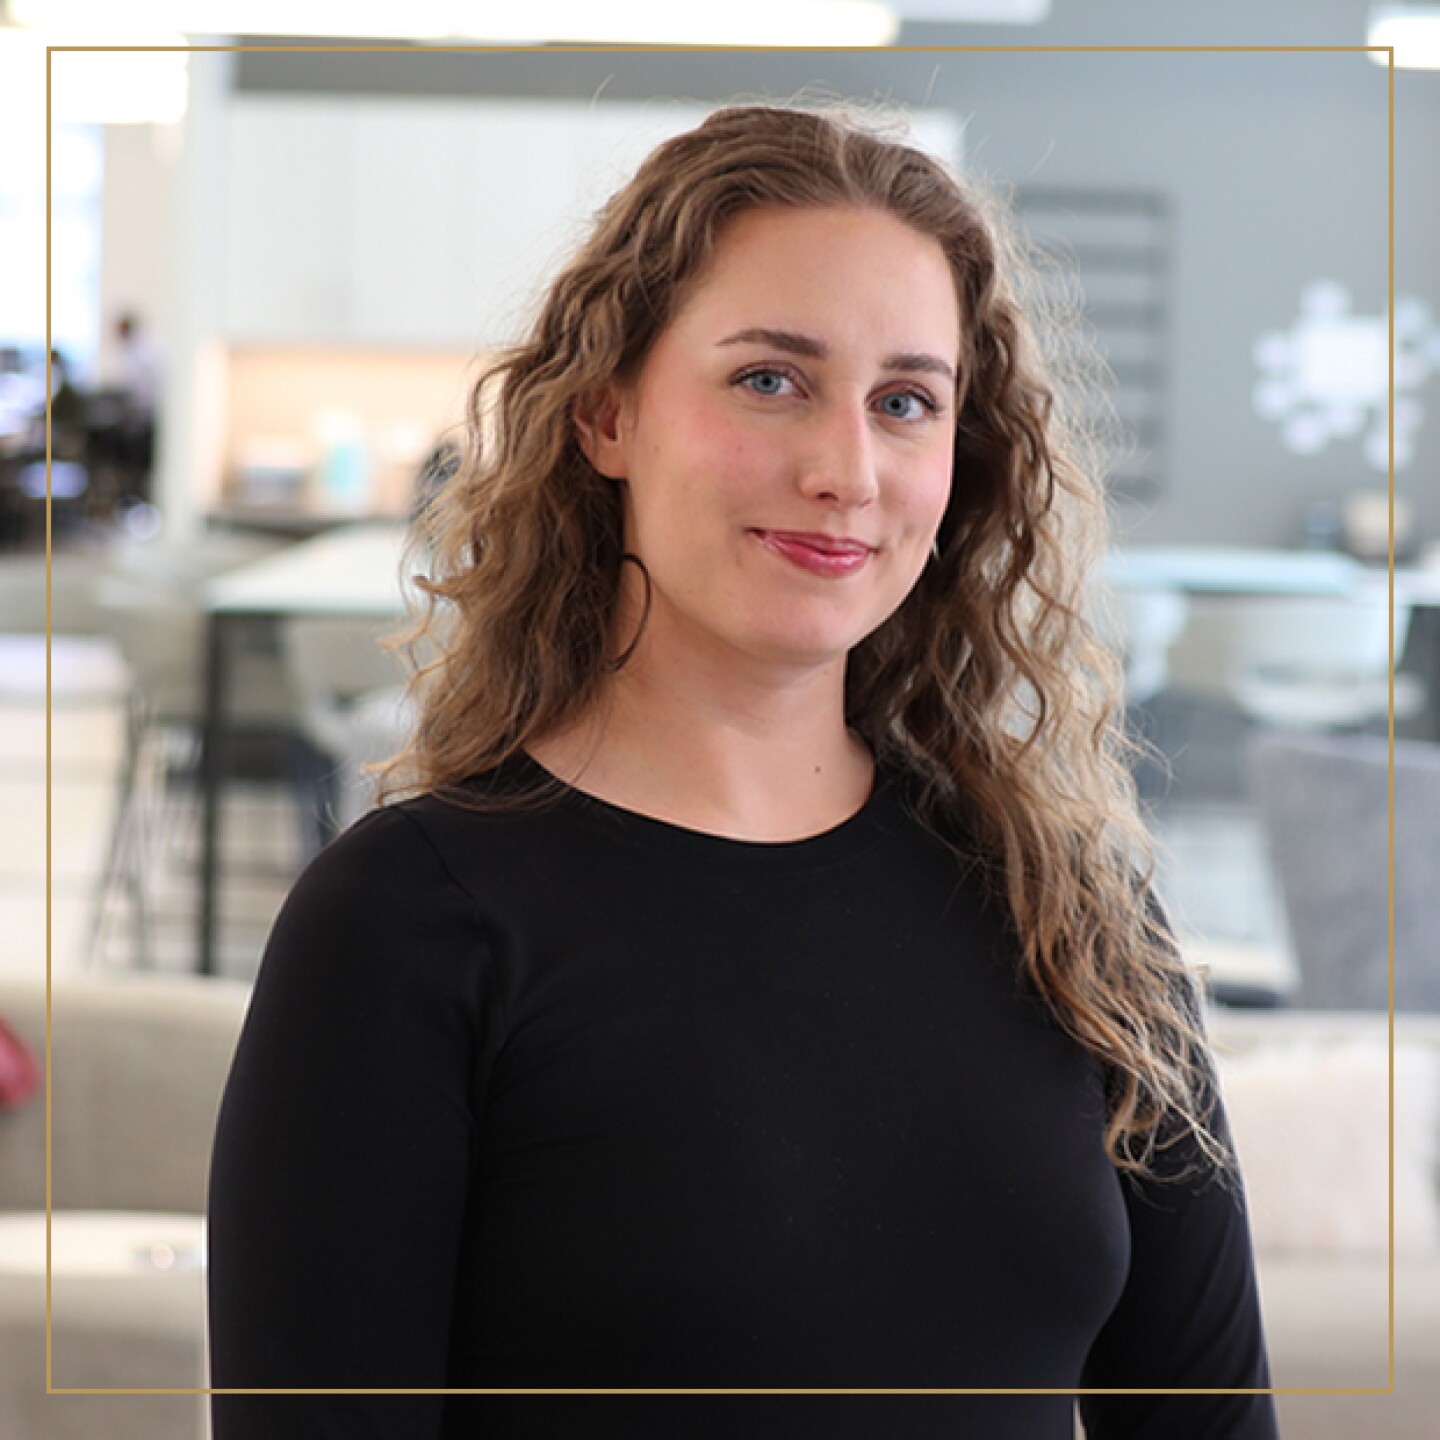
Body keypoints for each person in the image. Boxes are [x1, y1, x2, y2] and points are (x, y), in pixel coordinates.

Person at [207, 103, 1278, 1439]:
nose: (846, 470)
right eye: (770, 379)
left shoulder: (1072, 916)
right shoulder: (407, 926)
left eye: (905, 402)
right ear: (605, 414)